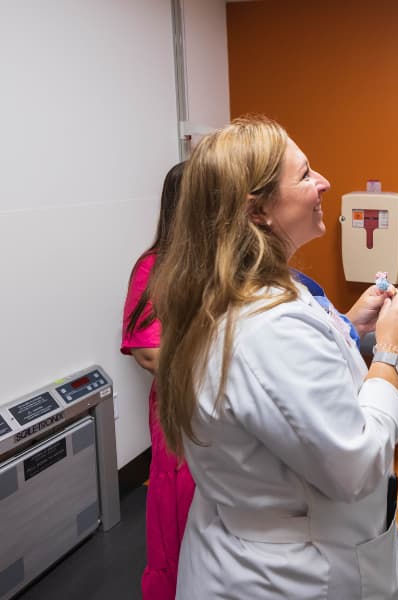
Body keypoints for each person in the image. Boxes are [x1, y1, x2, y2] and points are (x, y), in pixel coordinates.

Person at [150, 115, 398, 599]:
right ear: (258, 212)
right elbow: (355, 468)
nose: (324, 183)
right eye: (304, 174)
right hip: (289, 574)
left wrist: (347, 324)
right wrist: (390, 355)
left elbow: (274, 385)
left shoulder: (234, 292)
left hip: (244, 544)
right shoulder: (268, 326)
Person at [121, 162, 195, 600]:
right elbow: (149, 352)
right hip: (180, 420)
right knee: (179, 526)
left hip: (227, 420)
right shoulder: (154, 267)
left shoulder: (221, 266)